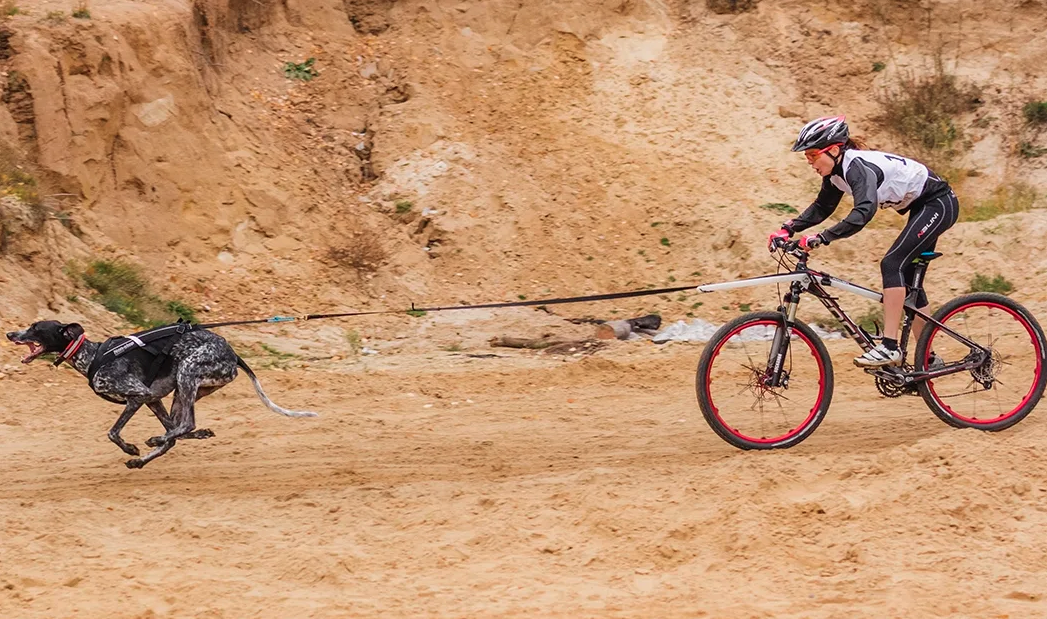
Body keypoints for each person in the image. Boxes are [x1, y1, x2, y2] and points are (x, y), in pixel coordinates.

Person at [767, 116, 958, 368]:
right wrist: (789, 228)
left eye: (813, 155)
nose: (809, 162)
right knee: (911, 286)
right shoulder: (837, 173)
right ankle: (929, 360)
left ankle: (890, 347)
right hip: (920, 207)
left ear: (834, 149)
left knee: (892, 264)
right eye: (807, 157)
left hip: (938, 203)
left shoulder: (857, 167)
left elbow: (863, 212)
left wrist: (823, 237)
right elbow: (822, 207)